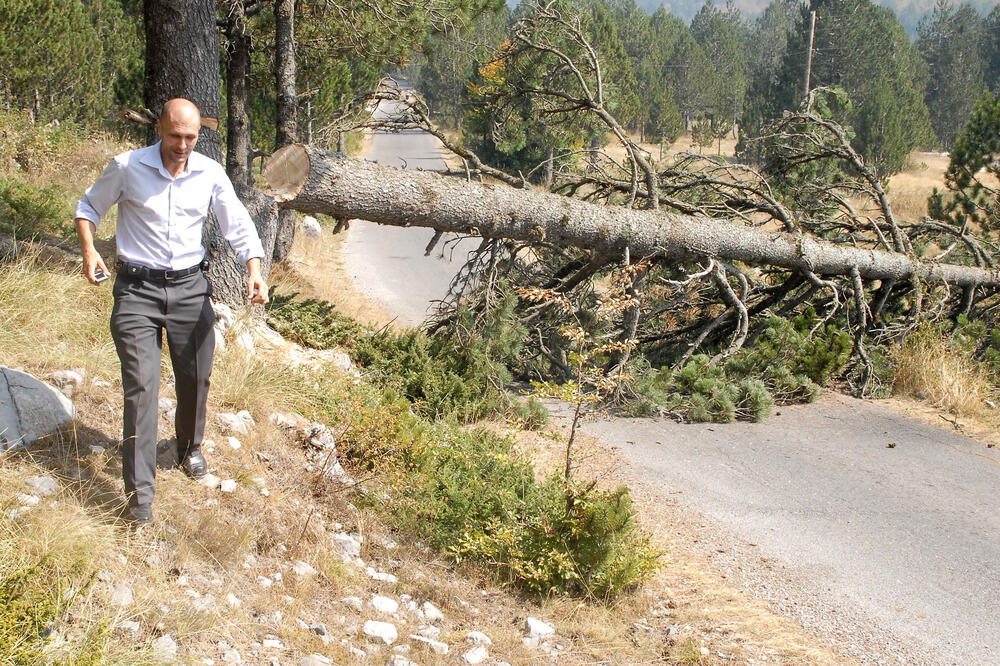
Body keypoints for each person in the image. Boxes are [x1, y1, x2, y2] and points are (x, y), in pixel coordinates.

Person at [75, 98, 269, 526]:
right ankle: (140, 497)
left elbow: (236, 221)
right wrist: (90, 251)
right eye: (174, 135)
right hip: (137, 291)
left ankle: (188, 446)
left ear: (200, 134)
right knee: (142, 389)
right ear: (159, 128)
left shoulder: (209, 173)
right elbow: (88, 208)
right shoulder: (127, 167)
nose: (182, 145)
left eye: (191, 137)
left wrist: (254, 269)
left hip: (189, 289)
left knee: (195, 377)